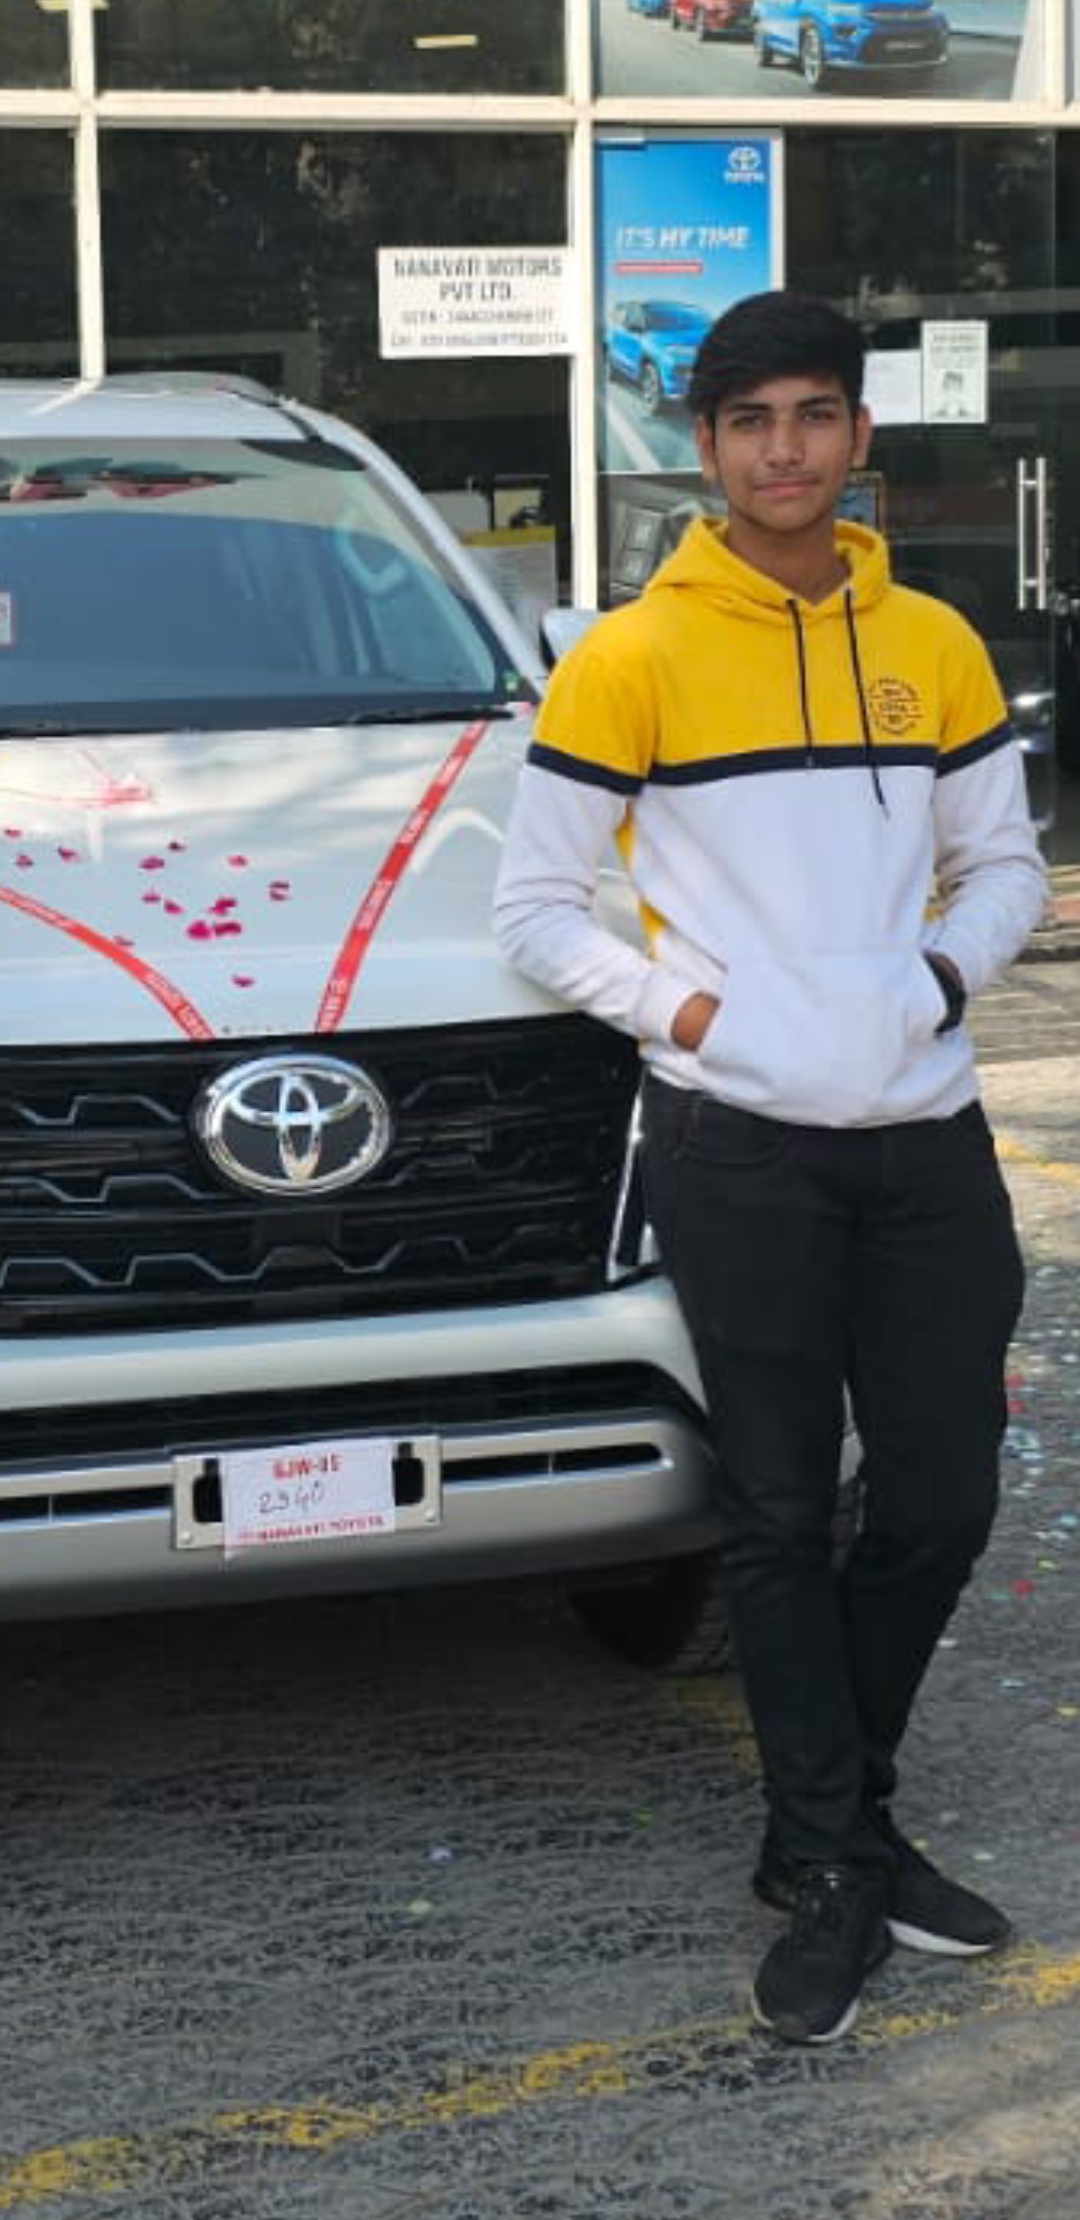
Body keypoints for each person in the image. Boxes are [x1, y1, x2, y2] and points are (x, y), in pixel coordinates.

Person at [492, 288, 1047, 2046]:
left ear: (859, 436)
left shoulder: (935, 642)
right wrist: (696, 1015)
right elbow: (534, 909)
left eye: (814, 415)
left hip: (926, 1133)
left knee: (944, 1497)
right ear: (706, 446)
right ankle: (829, 1854)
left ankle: (835, 1826)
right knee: (782, 1511)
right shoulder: (629, 656)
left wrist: (935, 982)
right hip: (738, 1144)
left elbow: (1006, 865)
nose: (784, 450)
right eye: (750, 422)